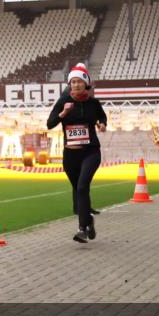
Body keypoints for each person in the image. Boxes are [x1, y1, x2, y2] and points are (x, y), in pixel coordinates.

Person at [46, 63, 108, 243]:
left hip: (90, 152)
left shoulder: (93, 103)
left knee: (82, 187)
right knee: (79, 189)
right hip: (70, 155)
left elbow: (102, 116)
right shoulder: (63, 102)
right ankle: (89, 221)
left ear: (86, 83)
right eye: (72, 82)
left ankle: (81, 229)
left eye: (79, 81)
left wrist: (102, 124)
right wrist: (63, 114)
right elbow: (49, 124)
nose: (76, 85)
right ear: (69, 84)